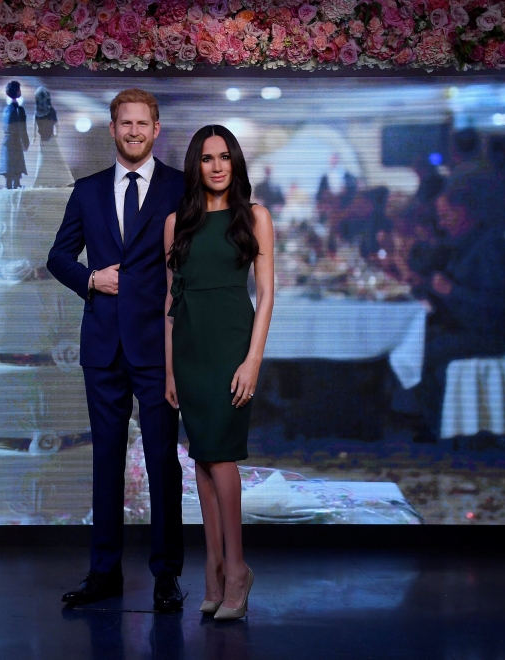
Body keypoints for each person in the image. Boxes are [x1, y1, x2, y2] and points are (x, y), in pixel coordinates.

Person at [47, 89, 186, 612]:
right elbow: (57, 257)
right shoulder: (86, 191)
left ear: (156, 128)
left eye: (142, 123)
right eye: (124, 123)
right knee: (105, 462)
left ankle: (166, 575)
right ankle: (104, 572)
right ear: (112, 129)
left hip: (157, 348)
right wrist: (91, 279)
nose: (133, 131)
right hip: (102, 347)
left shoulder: (179, 186)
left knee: (161, 463)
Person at [165, 125, 275, 620]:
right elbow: (172, 299)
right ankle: (210, 569)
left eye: (225, 157)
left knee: (223, 456)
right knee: (202, 461)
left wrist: (252, 359)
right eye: (207, 158)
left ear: (236, 163)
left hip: (232, 345)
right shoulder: (176, 223)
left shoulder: (255, 217)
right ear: (196, 164)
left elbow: (267, 293)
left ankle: (237, 570)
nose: (216, 166)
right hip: (189, 350)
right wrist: (170, 369)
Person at [412, 174, 505, 444]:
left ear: (463, 211)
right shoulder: (466, 242)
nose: (442, 224)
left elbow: (498, 304)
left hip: (489, 334)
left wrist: (451, 291)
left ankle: (436, 429)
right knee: (418, 343)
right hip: (466, 325)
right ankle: (432, 422)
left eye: (446, 215)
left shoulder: (490, 245)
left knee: (425, 351)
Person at [32, 86, 74, 188]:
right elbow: (36, 125)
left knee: (53, 159)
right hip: (46, 140)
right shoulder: (39, 112)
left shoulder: (49, 111)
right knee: (48, 160)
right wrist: (34, 137)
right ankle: (46, 181)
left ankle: (60, 180)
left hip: (49, 139)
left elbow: (56, 124)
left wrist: (55, 133)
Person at [0, 80, 30, 190]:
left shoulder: (5, 109)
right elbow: (22, 128)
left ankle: (10, 186)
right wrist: (26, 142)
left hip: (7, 142)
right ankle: (15, 185)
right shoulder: (18, 110)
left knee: (10, 168)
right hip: (15, 142)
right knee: (16, 167)